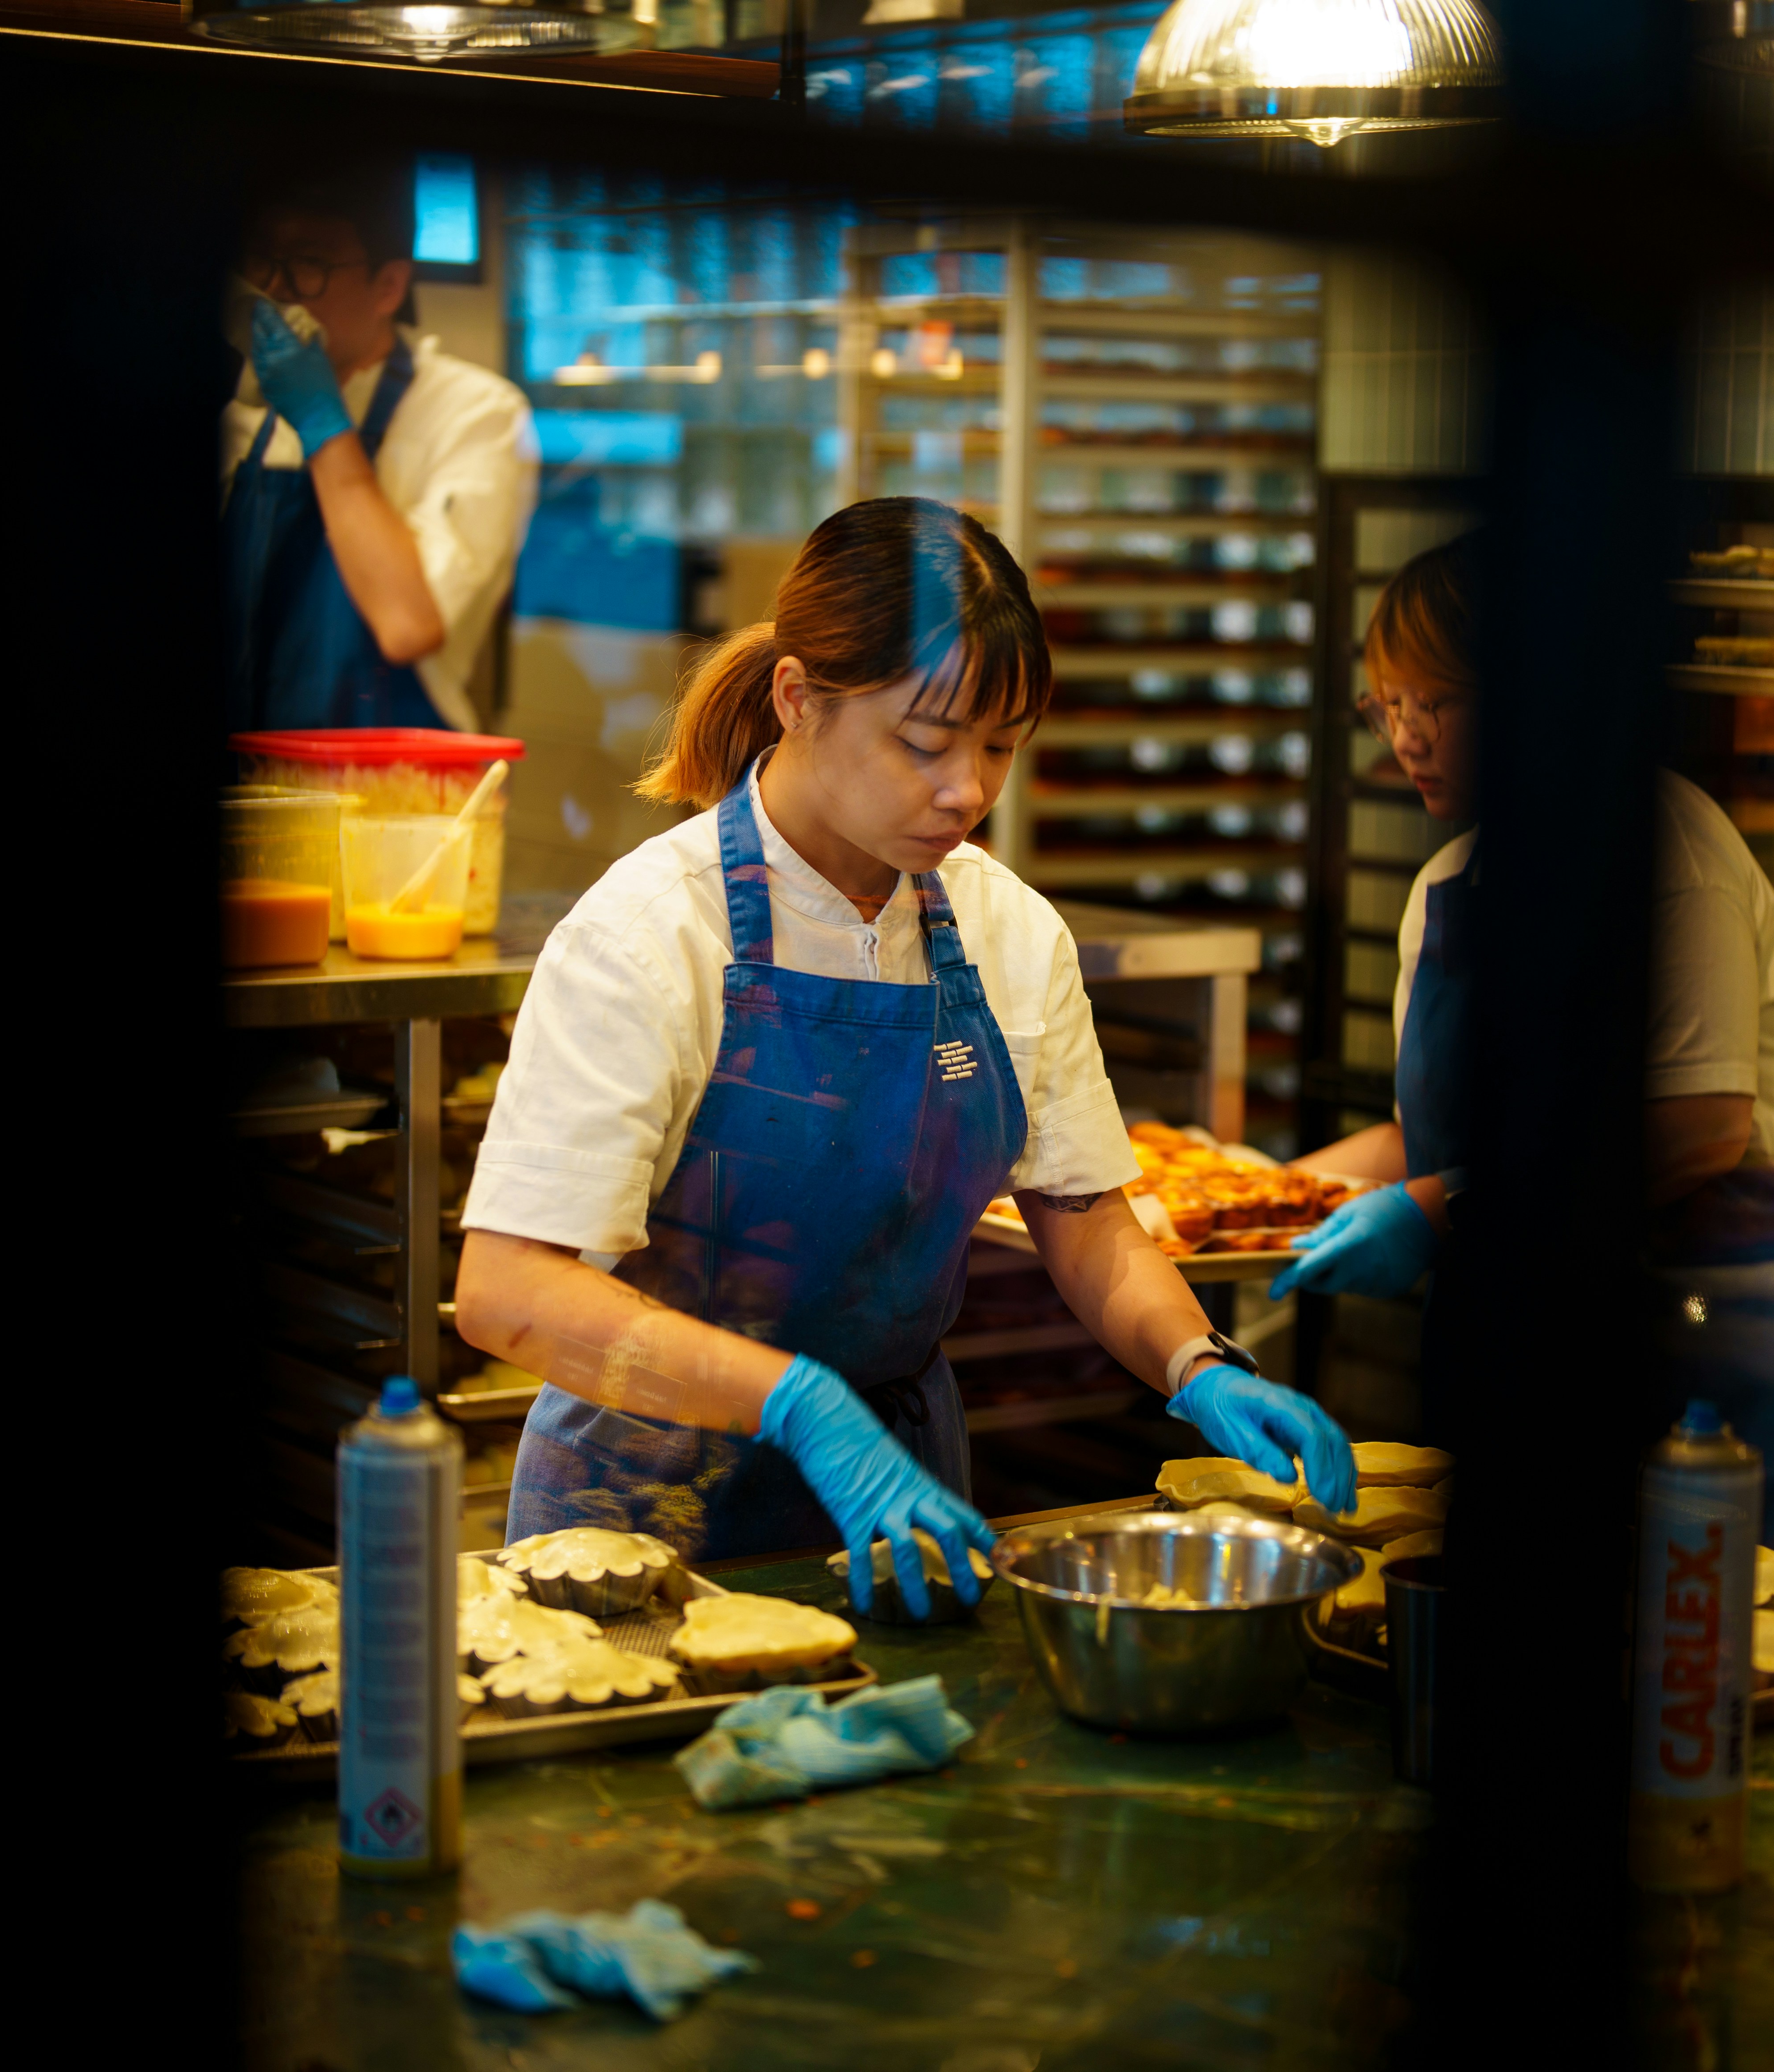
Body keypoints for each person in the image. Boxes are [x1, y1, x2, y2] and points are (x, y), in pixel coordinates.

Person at [454, 498, 1355, 1614]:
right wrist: (795, 1400)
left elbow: (1085, 1214)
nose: (968, 790)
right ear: (798, 698)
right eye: (926, 743)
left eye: (1001, 747)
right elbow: (506, 1293)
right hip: (641, 1530)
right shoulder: (653, 933)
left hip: (905, 1513)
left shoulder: (1006, 929)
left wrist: (1196, 1364)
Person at [1272, 538, 1774, 1555]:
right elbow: (1423, 1138)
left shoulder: (1667, 845)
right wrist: (1253, 1205)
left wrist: (1443, 1209)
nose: (1406, 737)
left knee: (1766, 1648)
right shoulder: (1447, 887)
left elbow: (1699, 1131)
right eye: (1385, 705)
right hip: (1539, 1320)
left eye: (1435, 701)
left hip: (1724, 1327)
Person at [223, 160, 531, 732]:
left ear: (389, 286)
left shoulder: (475, 412)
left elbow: (407, 625)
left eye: (309, 263)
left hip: (391, 787)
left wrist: (322, 421)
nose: (276, 290)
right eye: (264, 260)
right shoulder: (246, 419)